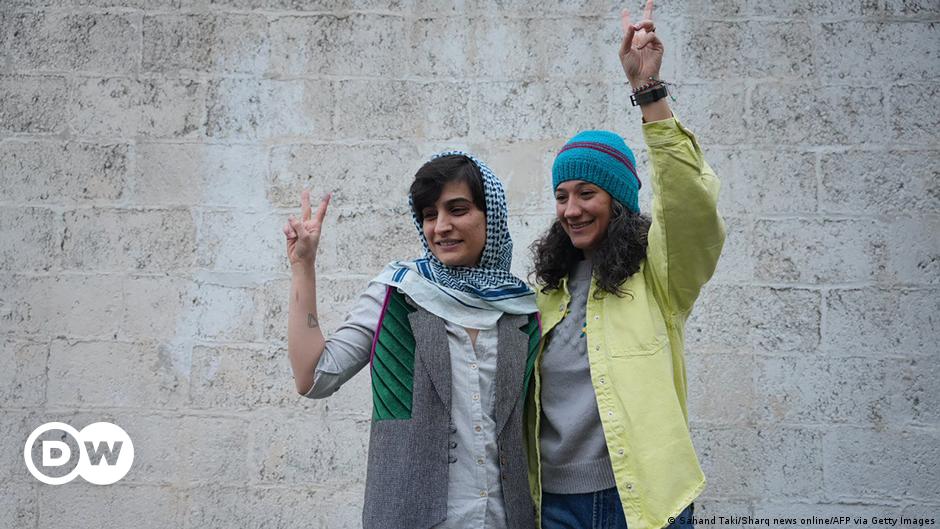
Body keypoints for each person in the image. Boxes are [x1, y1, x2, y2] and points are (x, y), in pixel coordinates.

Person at [526, 2, 726, 529]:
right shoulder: (546, 292)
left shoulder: (660, 276)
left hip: (643, 502)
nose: (571, 209)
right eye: (561, 195)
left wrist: (649, 93)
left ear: (618, 199)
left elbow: (691, 206)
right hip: (554, 507)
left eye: (586, 193)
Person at [282, 152, 540, 529]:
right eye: (429, 215)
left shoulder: (523, 309)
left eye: (457, 209)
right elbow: (314, 375)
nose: (441, 227)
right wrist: (303, 266)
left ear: (492, 216)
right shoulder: (398, 293)